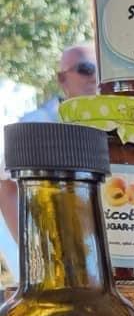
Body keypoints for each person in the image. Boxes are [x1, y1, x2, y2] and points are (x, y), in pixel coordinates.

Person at [0, 44, 97, 241]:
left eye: (100, 70)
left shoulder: (118, 125)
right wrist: (27, 246)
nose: (95, 77)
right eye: (86, 69)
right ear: (62, 78)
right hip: (59, 249)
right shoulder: (36, 125)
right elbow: (6, 186)